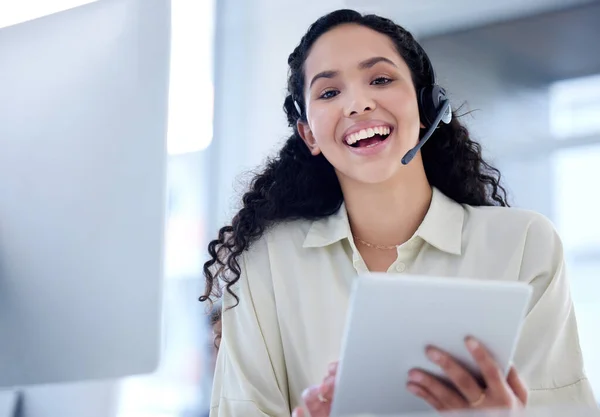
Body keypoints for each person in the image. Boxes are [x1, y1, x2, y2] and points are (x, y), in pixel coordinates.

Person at [200, 8, 597, 417]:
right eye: (329, 92)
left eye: (381, 79)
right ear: (309, 134)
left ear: (427, 106)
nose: (357, 103)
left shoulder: (524, 244)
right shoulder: (268, 261)